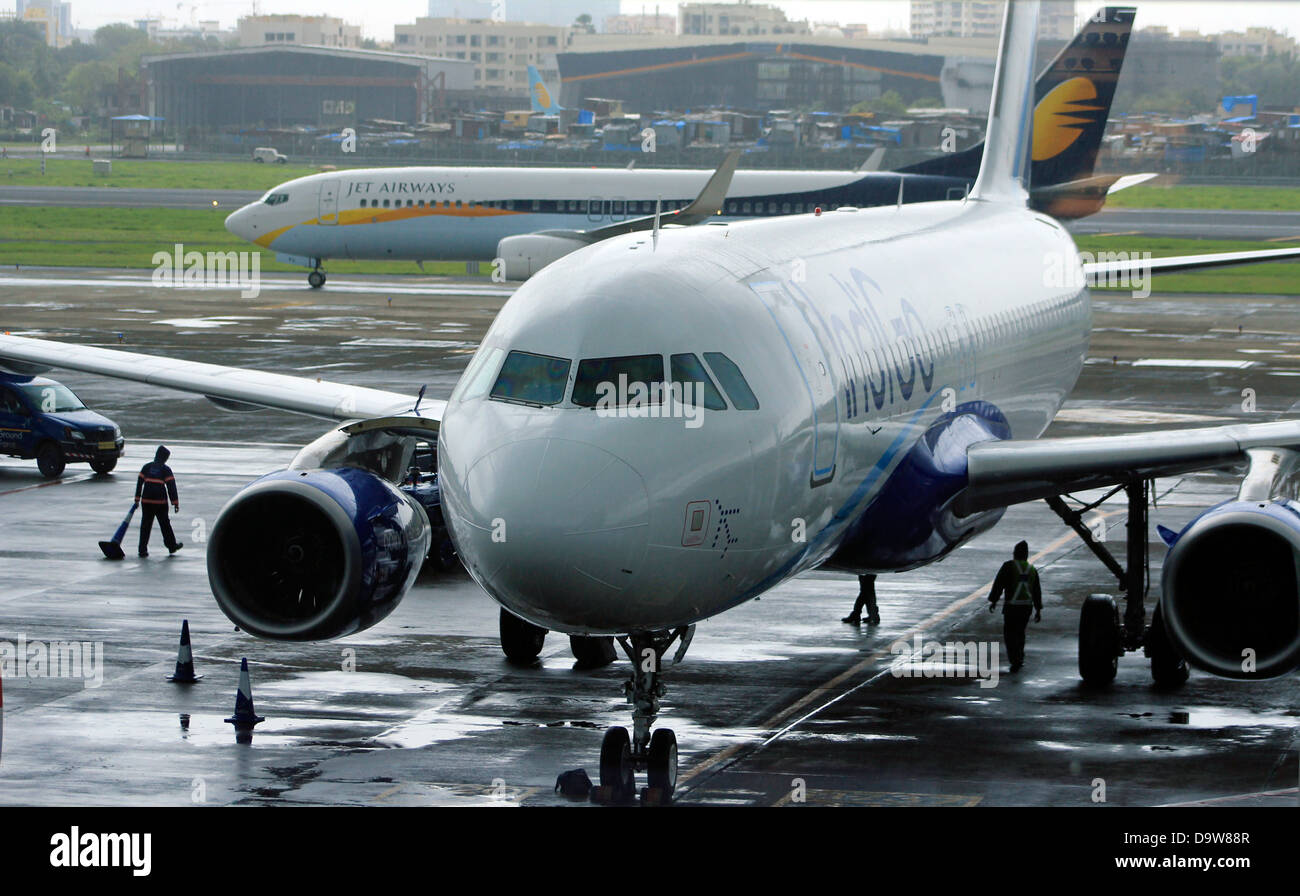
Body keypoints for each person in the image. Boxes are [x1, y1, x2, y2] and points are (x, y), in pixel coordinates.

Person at [988, 540, 1041, 671]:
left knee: (1010, 634)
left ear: (1015, 553)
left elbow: (999, 584)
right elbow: (1036, 591)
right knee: (1020, 633)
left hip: (1012, 606)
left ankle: (1014, 659)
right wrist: (1038, 609)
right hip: (1026, 607)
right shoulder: (1032, 569)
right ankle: (1020, 657)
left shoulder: (1008, 566)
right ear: (1027, 555)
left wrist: (994, 600)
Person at [135, 444, 183, 558]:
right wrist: (175, 502)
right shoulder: (166, 470)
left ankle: (142, 550)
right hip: (160, 502)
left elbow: (139, 483)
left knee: (145, 525)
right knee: (165, 525)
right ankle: (171, 546)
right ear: (165, 458)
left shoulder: (146, 467)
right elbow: (171, 486)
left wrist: (137, 499)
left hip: (146, 501)